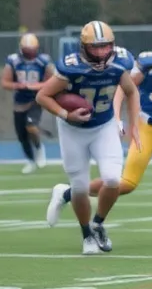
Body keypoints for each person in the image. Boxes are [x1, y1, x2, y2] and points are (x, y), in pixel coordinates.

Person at [48, 22, 152, 238]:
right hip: (149, 127)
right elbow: (124, 88)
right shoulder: (148, 62)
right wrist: (118, 117)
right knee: (126, 183)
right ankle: (72, 195)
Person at [38, 21, 140, 255]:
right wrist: (66, 114)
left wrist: (134, 125)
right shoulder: (71, 68)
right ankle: (86, 235)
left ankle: (98, 223)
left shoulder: (120, 63)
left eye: (105, 47)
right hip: (72, 129)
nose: (102, 53)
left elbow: (132, 91)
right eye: (95, 47)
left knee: (113, 179)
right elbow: (42, 96)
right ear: (84, 47)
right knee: (81, 187)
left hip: (103, 124)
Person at [0, 33, 54, 173]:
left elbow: (52, 81)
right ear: (21, 48)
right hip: (19, 101)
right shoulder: (13, 60)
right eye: (27, 50)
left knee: (30, 125)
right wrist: (19, 85)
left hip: (36, 98)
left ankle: (39, 147)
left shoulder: (43, 61)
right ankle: (30, 160)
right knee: (22, 135)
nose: (30, 53)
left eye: (32, 49)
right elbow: (5, 82)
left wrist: (36, 86)